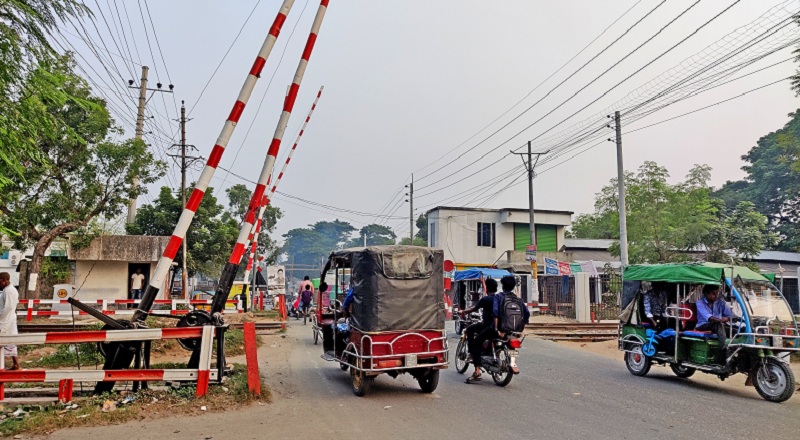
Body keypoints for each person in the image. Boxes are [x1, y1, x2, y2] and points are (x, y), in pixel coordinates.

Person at [467, 276, 530, 384]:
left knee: (477, 341)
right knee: (511, 346)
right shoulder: (518, 299)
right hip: (513, 330)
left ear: (503, 286)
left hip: (499, 329)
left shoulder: (499, 296)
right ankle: (513, 362)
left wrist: (497, 329)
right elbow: (527, 314)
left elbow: (495, 313)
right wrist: (521, 328)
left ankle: (477, 371)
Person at [460, 278, 497, 374]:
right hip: (499, 328)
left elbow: (474, 308)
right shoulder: (499, 299)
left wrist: (464, 312)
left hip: (488, 326)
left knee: (470, 330)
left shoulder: (486, 299)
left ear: (486, 289)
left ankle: (474, 361)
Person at [0, 272, 20, 370]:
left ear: (4, 280)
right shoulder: (9, 290)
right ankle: (16, 364)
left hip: (6, 320)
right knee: (10, 342)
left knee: (5, 341)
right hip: (9, 319)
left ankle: (10, 365)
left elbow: (7, 307)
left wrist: (0, 316)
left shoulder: (8, 291)